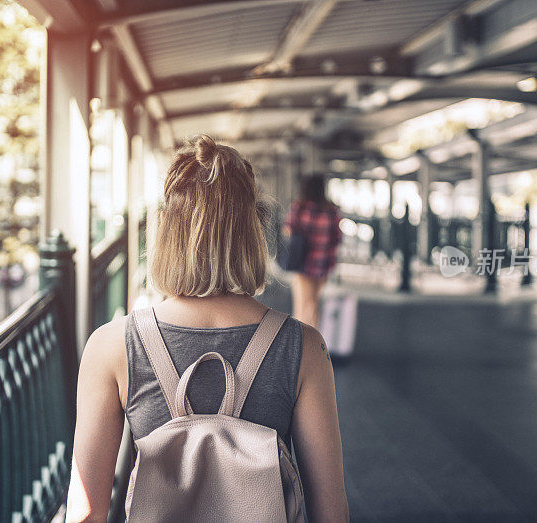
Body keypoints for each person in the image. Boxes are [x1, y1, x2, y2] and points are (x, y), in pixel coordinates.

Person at [65, 135, 349, 522]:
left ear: (165, 229)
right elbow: (331, 514)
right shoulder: (303, 347)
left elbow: (86, 513)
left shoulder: (113, 345)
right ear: (252, 229)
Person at [282, 176, 342, 328]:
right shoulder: (331, 210)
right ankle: (314, 340)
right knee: (314, 304)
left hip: (303, 263)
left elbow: (287, 230)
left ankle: (301, 343)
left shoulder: (300, 207)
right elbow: (337, 239)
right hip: (323, 265)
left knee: (302, 305)